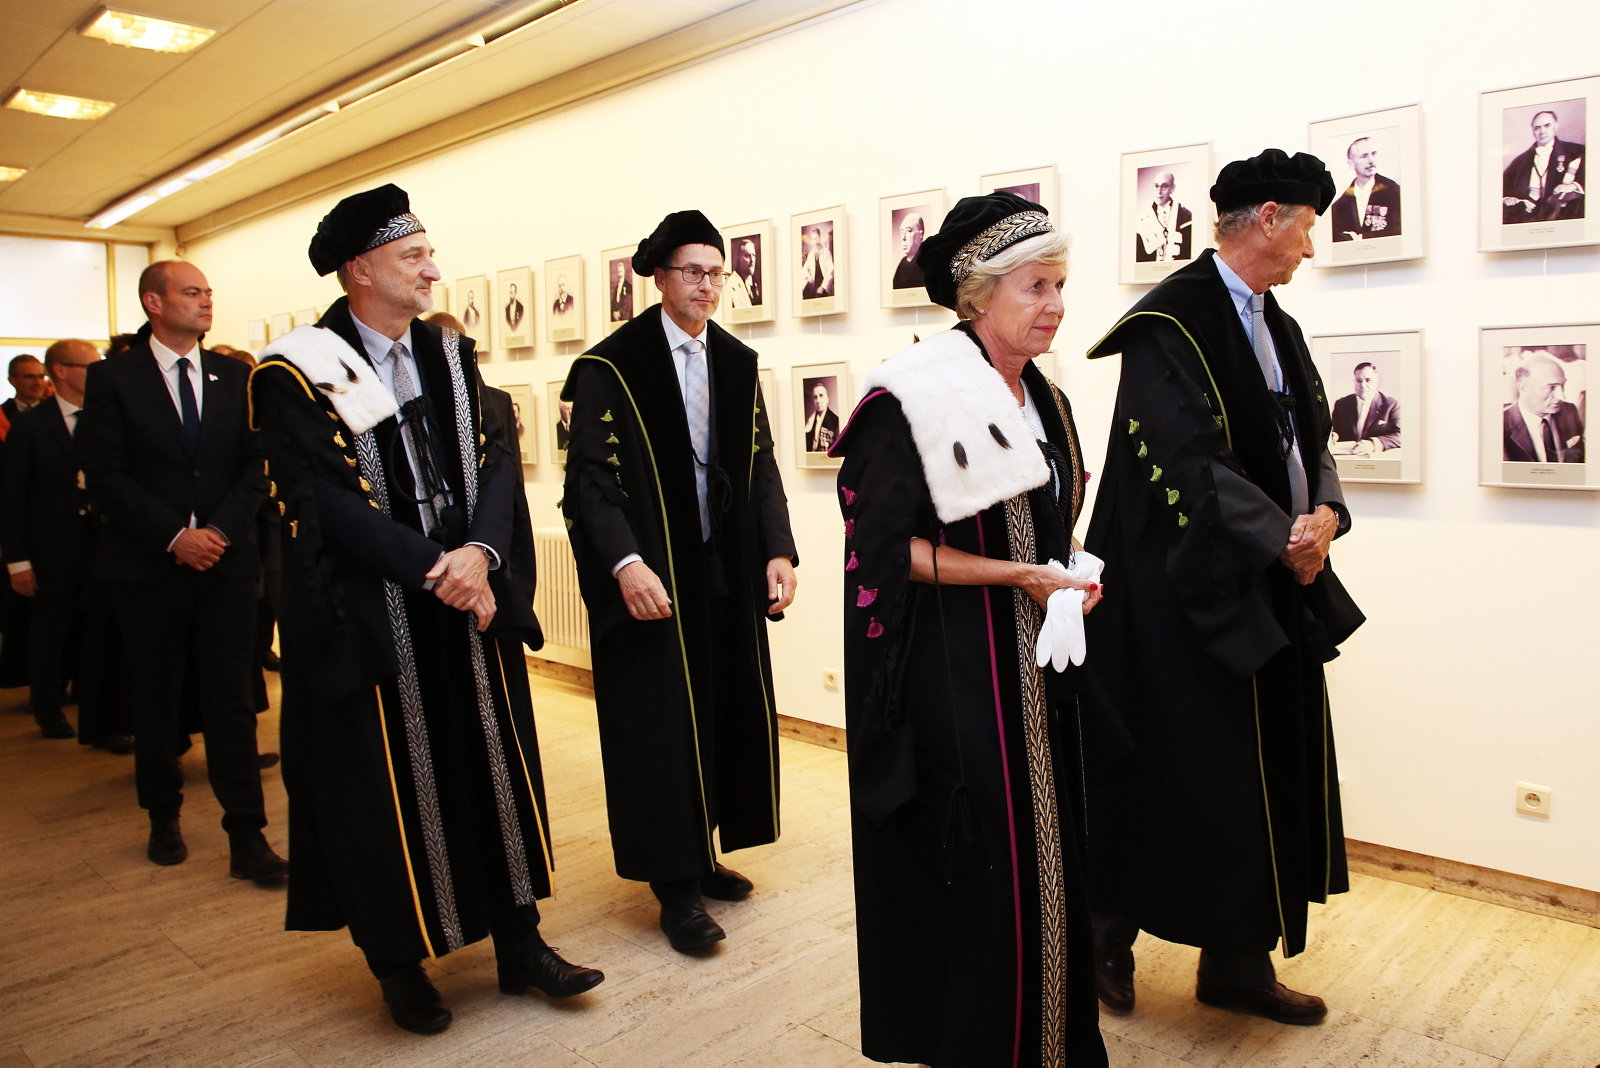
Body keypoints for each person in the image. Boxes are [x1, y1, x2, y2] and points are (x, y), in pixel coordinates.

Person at [249, 184, 602, 1035]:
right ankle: (399, 966)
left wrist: (480, 557)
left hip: (466, 605)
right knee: (380, 793)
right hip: (371, 615)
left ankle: (519, 941)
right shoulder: (297, 371)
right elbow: (322, 501)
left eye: (428, 254)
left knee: (493, 769)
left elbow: (495, 461)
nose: (432, 271)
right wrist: (435, 568)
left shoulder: (449, 355)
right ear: (359, 270)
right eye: (412, 257)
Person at [1082, 149, 1365, 1026]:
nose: (1311, 248)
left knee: (1257, 773)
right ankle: (1103, 938)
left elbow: (1312, 438)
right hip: (1171, 594)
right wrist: (1285, 538)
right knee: (1167, 765)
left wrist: (1325, 516)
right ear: (1269, 217)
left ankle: (1237, 962)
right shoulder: (1168, 324)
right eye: (1307, 227)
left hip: (1267, 580)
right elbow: (1186, 462)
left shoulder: (1280, 325)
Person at [834, 191, 1107, 1067]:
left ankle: (1056, 1044)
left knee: (1052, 858)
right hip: (959, 679)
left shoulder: (1047, 397)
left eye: (1060, 285)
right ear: (980, 295)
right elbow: (886, 549)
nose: (1056, 305)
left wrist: (1070, 572)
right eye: (1036, 287)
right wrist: (1017, 576)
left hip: (1039, 670)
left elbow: (1049, 522)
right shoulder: (910, 397)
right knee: (990, 873)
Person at [561, 209, 797, 953]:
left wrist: (778, 550)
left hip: (721, 566)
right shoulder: (612, 368)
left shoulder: (735, 361)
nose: (707, 285)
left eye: (716, 273)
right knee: (661, 724)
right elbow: (589, 482)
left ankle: (705, 852)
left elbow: (761, 461)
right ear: (659, 278)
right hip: (654, 570)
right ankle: (674, 888)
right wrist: (626, 564)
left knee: (720, 708)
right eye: (692, 271)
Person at [77, 261, 286, 881]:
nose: (206, 301)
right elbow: (106, 474)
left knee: (232, 702)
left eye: (208, 292)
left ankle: (247, 835)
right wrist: (175, 537)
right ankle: (162, 816)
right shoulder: (114, 378)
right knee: (156, 698)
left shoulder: (236, 376)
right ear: (154, 302)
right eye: (192, 292)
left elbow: (256, 465)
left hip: (224, 564)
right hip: (149, 566)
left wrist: (217, 533)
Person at [2, 340, 103, 740]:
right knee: (49, 633)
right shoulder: (31, 424)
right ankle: (47, 708)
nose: (98, 374)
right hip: (50, 550)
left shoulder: (104, 417)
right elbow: (12, 498)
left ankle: (98, 714)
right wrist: (18, 562)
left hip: (100, 546)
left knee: (97, 632)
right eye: (90, 367)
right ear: (61, 371)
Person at [1502, 110, 1586, 224]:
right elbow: (1504, 186)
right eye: (1537, 128)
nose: (1542, 131)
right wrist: (1507, 198)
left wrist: (1573, 186)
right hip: (1527, 213)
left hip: (1561, 213)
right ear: (1533, 131)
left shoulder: (1577, 152)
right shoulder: (1521, 160)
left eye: (1547, 125)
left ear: (1556, 126)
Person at [1503, 351, 1585, 462]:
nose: (1561, 396)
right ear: (1523, 388)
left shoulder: (1569, 411)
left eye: (1563, 385)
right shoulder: (1500, 424)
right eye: (1551, 387)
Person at [1330, 137, 1402, 241]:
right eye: (1364, 156)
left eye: (1373, 154)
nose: (1371, 161)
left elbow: (1400, 229)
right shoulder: (1339, 206)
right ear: (1351, 164)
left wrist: (1362, 238)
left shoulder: (1393, 191)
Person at [1330, 362, 1401, 454]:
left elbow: (1400, 435)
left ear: (1377, 381)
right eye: (1359, 381)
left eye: (1368, 380)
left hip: (1376, 459)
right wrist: (1333, 436)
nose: (1363, 385)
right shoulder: (1341, 404)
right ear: (1354, 382)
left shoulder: (1391, 405)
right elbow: (1335, 431)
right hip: (1347, 458)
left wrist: (1374, 444)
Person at [1135, 171, 1194, 261]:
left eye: (1164, 186)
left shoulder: (1185, 216)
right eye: (1156, 186)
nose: (1159, 192)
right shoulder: (1145, 218)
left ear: (1172, 189)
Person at [799, 224, 835, 299]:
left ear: (820, 238)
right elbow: (804, 270)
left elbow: (831, 270)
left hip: (825, 286)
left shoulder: (826, 251)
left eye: (816, 238)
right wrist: (809, 278)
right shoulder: (811, 254)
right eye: (813, 239)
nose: (815, 241)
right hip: (815, 286)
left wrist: (823, 286)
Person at [891, 210, 925, 289]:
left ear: (920, 234)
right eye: (902, 232)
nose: (903, 238)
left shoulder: (926, 261)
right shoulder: (902, 263)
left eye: (909, 231)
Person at [803, 381, 839, 453]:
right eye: (815, 397)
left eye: (821, 395)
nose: (818, 401)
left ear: (827, 398)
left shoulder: (835, 420)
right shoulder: (811, 421)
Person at [726, 237, 761, 309]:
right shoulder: (731, 284)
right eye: (747, 256)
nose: (752, 260)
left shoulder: (754, 285)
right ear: (739, 259)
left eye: (753, 255)